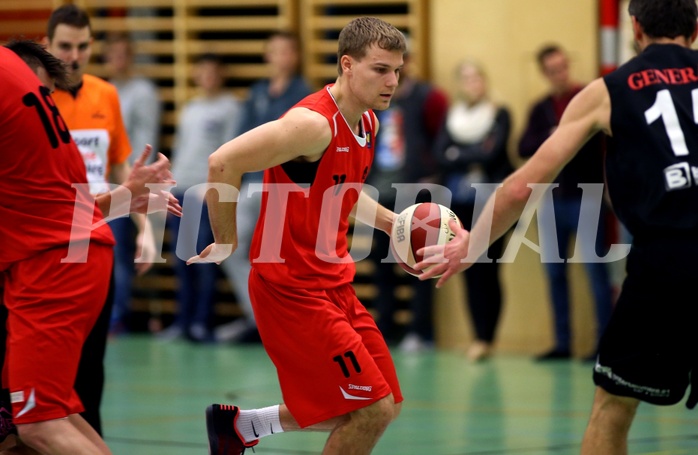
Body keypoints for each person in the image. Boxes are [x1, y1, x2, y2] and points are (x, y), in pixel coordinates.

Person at [416, 1, 698, 453]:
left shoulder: (609, 90)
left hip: (665, 264)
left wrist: (472, 247)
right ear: (696, 29)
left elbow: (520, 187)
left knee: (611, 412)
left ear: (636, 27)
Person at [188, 17, 406, 454]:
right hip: (291, 290)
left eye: (397, 70)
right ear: (347, 64)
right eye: (380, 69)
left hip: (333, 284)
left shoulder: (367, 122)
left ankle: (243, 428)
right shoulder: (312, 124)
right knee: (372, 408)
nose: (392, 81)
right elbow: (222, 164)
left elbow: (341, 190)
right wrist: (227, 241)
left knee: (385, 402)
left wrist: (394, 226)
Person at [0, 40, 178, 455]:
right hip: (71, 250)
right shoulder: (23, 95)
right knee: (31, 419)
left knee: (38, 423)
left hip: (52, 268)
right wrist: (124, 197)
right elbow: (53, 207)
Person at [43, 3, 156, 434]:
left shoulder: (105, 94)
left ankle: (90, 436)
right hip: (48, 240)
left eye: (82, 46)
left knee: (92, 357)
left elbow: (121, 166)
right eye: (64, 47)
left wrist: (146, 230)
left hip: (95, 236)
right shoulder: (33, 99)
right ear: (47, 46)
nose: (73, 56)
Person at [518, 43, 614, 361]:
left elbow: (607, 138)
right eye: (553, 69)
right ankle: (563, 343)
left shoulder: (587, 98)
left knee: (595, 273)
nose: (560, 73)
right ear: (545, 73)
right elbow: (524, 145)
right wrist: (554, 134)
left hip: (586, 197)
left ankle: (605, 343)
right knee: (554, 274)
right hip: (551, 200)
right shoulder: (541, 108)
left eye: (563, 66)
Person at [215, 31, 312, 344]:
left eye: (286, 51)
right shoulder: (257, 92)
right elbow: (241, 138)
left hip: (285, 188)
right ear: (267, 55)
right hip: (253, 183)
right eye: (275, 51)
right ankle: (259, 317)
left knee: (279, 257)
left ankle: (290, 323)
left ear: (295, 56)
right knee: (230, 247)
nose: (280, 57)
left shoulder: (303, 92)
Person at [365, 50, 448, 352]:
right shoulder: (373, 98)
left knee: (418, 263)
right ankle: (385, 328)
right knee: (382, 265)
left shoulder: (427, 97)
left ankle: (420, 331)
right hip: (379, 192)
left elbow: (441, 137)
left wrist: (433, 173)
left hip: (414, 193)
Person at [433, 59, 512, 361]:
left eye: (477, 77)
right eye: (466, 78)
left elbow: (492, 153)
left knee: (488, 270)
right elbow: (442, 154)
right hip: (459, 204)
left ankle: (487, 338)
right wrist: (471, 155)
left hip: (489, 203)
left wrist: (460, 153)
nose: (472, 84)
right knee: (464, 267)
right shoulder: (451, 117)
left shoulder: (498, 113)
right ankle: (476, 336)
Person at [161, 53, 243, 342]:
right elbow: (181, 148)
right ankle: (182, 322)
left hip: (206, 190)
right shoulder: (191, 107)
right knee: (181, 259)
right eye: (202, 70)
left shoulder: (231, 107)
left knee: (205, 258)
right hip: (182, 190)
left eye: (212, 70)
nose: (207, 75)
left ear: (221, 73)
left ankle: (201, 323)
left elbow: (231, 154)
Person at [102, 32, 163, 334]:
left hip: (131, 179)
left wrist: (137, 180)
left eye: (124, 52)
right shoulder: (104, 90)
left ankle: (117, 314)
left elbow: (146, 138)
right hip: (103, 182)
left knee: (121, 251)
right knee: (108, 251)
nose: (118, 59)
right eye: (113, 52)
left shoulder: (142, 91)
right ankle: (109, 311)